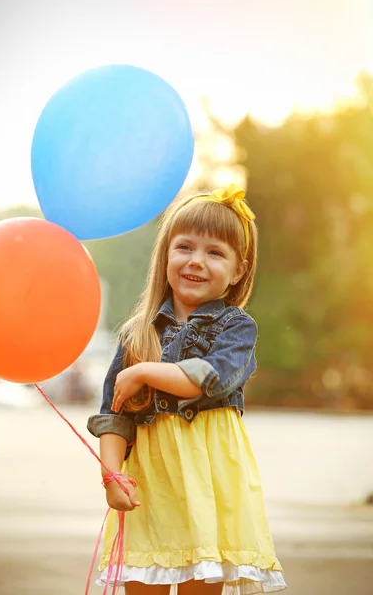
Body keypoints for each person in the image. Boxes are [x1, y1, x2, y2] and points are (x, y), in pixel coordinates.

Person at [87, 184, 287, 595]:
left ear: (238, 270)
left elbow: (209, 377)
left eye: (215, 252)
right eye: (185, 247)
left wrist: (145, 371)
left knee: (201, 583)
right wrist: (111, 475)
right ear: (165, 258)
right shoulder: (136, 334)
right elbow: (114, 415)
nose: (196, 261)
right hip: (152, 486)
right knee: (144, 581)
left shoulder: (235, 327)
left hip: (208, 487)